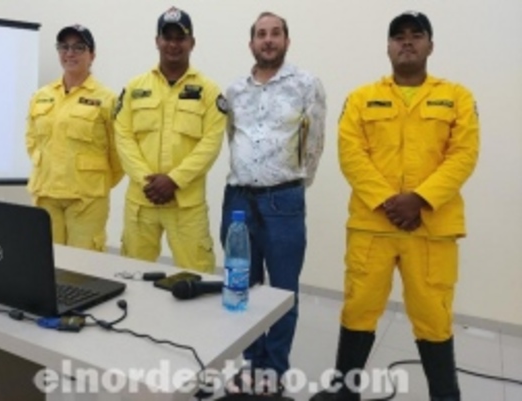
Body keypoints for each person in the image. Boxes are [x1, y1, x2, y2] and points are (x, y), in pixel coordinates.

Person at [310, 11, 479, 401]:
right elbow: (350, 154)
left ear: (430, 46)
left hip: (432, 227)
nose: (407, 42)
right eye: (398, 36)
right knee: (358, 309)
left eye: (416, 35)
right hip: (373, 226)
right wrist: (391, 201)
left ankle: (445, 394)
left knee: (433, 316)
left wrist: (419, 200)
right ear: (387, 47)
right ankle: (344, 391)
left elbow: (464, 155)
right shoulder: (362, 98)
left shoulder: (458, 98)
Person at [221, 11, 326, 396]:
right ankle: (252, 364)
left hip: (284, 200)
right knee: (242, 287)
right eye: (261, 34)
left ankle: (274, 371)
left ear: (286, 40)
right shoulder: (234, 91)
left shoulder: (307, 84)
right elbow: (232, 137)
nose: (268, 40)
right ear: (251, 43)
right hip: (238, 201)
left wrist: (294, 185)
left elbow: (314, 144)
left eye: (275, 33)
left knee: (282, 293)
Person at [114, 7, 227, 273]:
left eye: (181, 38)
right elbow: (124, 138)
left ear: (192, 43)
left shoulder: (209, 92)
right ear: (157, 41)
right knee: (132, 278)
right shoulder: (134, 88)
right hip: (142, 201)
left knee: (197, 278)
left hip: (187, 205)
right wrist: (148, 181)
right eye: (167, 37)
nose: (173, 44)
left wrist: (173, 180)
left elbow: (211, 143)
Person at [26, 25, 123, 251]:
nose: (70, 53)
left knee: (83, 267)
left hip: (86, 199)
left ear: (92, 55)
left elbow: (119, 154)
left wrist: (95, 181)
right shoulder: (42, 96)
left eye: (79, 47)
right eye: (64, 47)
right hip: (46, 194)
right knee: (46, 261)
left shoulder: (107, 99)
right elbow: (32, 141)